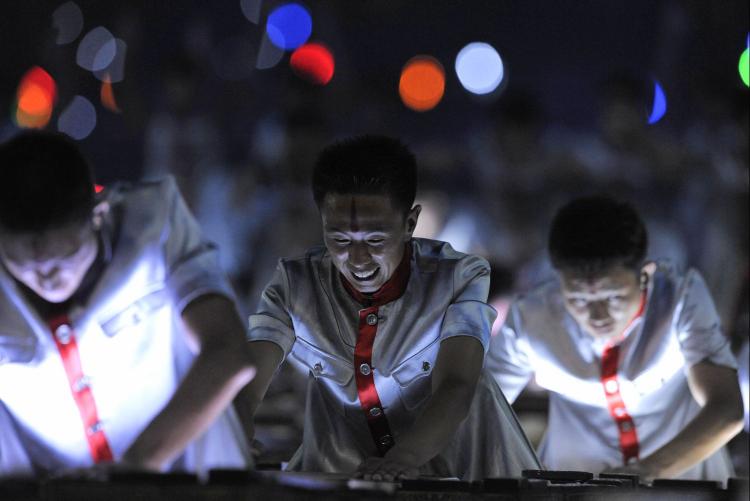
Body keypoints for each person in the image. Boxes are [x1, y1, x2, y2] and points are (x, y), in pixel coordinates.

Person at [235, 135, 540, 481]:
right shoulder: (295, 284)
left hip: (464, 468)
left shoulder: (457, 277)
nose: (358, 258)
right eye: (339, 240)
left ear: (410, 223)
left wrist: (406, 457)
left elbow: (457, 383)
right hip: (343, 469)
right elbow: (247, 378)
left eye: (375, 240)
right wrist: (235, 430)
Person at [0, 131, 256, 476]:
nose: (46, 279)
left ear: (98, 213)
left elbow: (227, 351)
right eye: (23, 266)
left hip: (183, 480)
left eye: (65, 259)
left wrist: (137, 467)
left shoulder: (155, 224)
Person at [486, 196, 744, 482]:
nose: (598, 314)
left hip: (684, 485)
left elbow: (725, 409)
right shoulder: (530, 318)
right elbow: (484, 413)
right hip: (574, 489)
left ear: (645, 274)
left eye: (614, 297)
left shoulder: (680, 299)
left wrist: (644, 472)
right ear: (559, 282)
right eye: (579, 299)